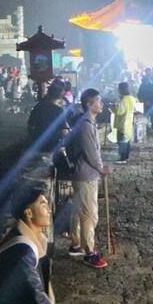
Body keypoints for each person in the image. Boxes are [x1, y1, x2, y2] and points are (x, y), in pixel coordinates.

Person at [67, 89, 113, 269]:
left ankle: (76, 243)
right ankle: (89, 252)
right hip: (86, 174)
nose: (101, 104)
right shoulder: (86, 125)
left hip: (83, 173)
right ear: (89, 104)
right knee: (89, 214)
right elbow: (91, 152)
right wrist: (101, 168)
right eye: (98, 101)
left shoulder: (86, 122)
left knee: (79, 211)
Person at [114, 82, 136, 165]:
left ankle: (122, 158)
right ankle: (126, 157)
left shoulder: (123, 100)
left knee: (121, 142)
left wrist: (115, 105)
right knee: (127, 141)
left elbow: (119, 111)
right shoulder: (132, 98)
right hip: (129, 123)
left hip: (122, 123)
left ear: (121, 90)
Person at [137, 71, 153, 136]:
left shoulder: (152, 86)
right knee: (150, 116)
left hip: (150, 104)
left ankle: (149, 127)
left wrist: (144, 101)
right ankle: (149, 127)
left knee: (150, 116)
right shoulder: (145, 86)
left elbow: (139, 95)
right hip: (151, 104)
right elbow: (139, 95)